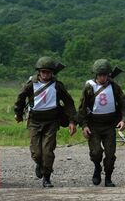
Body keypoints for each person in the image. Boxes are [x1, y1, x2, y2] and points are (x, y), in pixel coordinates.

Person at [14, 56, 77, 188]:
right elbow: (20, 99)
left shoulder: (58, 86)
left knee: (48, 152)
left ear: (52, 72)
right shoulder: (31, 84)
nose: (46, 74)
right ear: (39, 72)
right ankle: (39, 164)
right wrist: (18, 114)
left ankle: (47, 177)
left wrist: (72, 121)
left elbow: (69, 103)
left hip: (52, 121)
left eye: (48, 72)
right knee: (37, 153)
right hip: (34, 121)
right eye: (43, 72)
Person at [78, 59, 125, 187]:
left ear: (108, 75)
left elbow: (124, 105)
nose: (102, 77)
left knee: (110, 154)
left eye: (105, 75)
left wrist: (123, 120)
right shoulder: (89, 88)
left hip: (109, 125)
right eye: (100, 75)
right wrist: (84, 125)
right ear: (96, 75)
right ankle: (97, 167)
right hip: (94, 125)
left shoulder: (114, 87)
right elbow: (82, 108)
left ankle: (108, 177)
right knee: (96, 153)